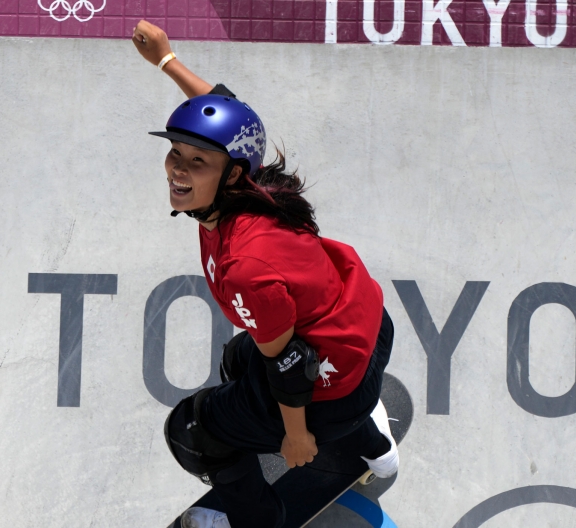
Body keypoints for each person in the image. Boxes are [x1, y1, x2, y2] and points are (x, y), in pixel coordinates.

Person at [131, 21, 399, 528]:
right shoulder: (254, 183)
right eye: (175, 155)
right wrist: (166, 60)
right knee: (238, 357)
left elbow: (291, 365)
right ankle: (373, 444)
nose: (178, 171)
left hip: (330, 382)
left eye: (197, 162)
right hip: (364, 329)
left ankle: (259, 518)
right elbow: (234, 120)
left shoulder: (245, 265)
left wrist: (296, 438)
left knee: (191, 430)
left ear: (231, 172)